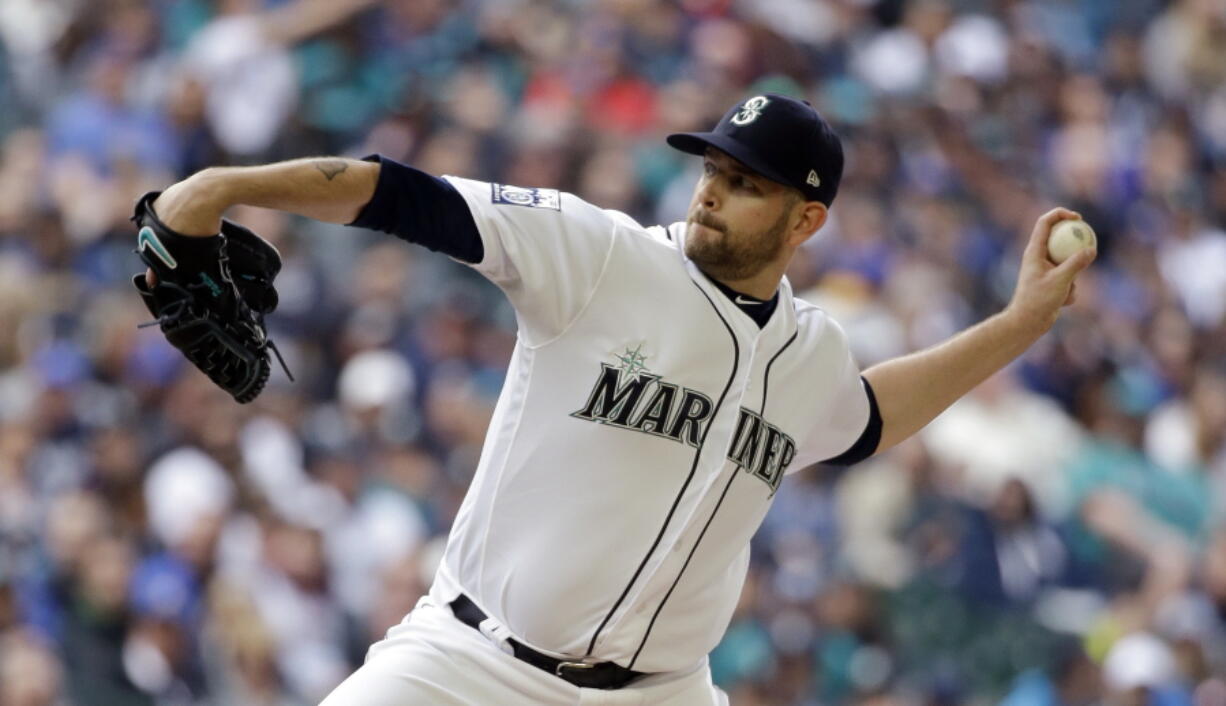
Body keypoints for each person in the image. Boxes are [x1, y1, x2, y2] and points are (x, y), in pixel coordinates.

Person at [141, 93, 1094, 705]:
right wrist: (222, 186)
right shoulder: (600, 255)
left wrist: (1019, 324)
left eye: (746, 184)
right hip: (470, 666)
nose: (712, 193)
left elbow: (870, 415)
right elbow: (406, 196)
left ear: (807, 220)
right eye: (713, 169)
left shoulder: (811, 354)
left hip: (661, 694)